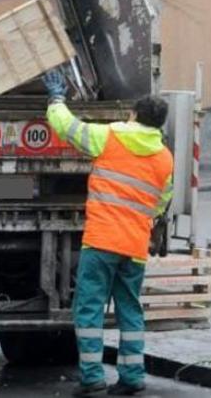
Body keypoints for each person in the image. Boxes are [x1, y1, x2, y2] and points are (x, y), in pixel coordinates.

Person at [42, 71, 174, 397]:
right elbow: (161, 202)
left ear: (133, 115)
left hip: (101, 240)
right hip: (134, 246)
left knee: (89, 309)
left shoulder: (109, 137)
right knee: (130, 309)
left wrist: (57, 99)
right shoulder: (164, 157)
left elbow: (68, 128)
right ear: (159, 124)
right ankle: (132, 377)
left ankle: (91, 378)